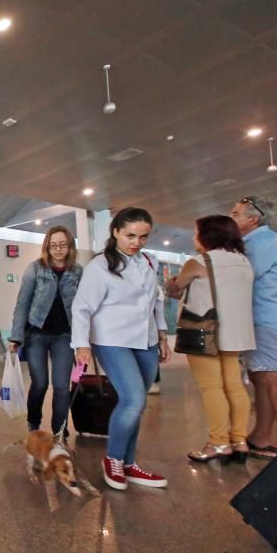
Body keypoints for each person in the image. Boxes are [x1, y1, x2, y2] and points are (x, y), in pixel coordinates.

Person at [70, 207, 171, 491]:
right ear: (115, 231)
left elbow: (157, 301)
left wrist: (162, 334)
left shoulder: (149, 261)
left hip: (147, 340)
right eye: (130, 235)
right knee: (133, 399)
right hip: (112, 339)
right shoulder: (100, 266)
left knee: (136, 405)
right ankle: (113, 459)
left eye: (143, 236)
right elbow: (82, 308)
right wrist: (81, 345)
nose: (136, 242)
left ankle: (129, 463)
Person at [167, 215, 254, 463]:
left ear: (208, 235)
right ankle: (238, 440)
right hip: (237, 332)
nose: (193, 237)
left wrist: (170, 284)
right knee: (235, 386)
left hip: (206, 330)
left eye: (196, 233)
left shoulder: (199, 261)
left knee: (211, 387)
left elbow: (176, 290)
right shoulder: (243, 261)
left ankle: (218, 443)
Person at [7, 226, 83, 437]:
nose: (58, 249)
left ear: (70, 247)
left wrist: (84, 340)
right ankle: (34, 422)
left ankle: (60, 430)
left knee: (61, 386)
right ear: (47, 247)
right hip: (36, 335)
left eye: (63, 245)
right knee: (40, 383)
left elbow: (84, 308)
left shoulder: (78, 271)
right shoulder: (35, 269)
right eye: (53, 245)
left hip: (65, 336)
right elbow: (22, 303)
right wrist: (16, 336)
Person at [229, 196, 277, 459]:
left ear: (253, 219)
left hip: (266, 319)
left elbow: (244, 276)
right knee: (262, 378)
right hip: (267, 319)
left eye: (236, 214)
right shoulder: (266, 241)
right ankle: (261, 436)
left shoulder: (261, 243)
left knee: (273, 381)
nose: (232, 218)